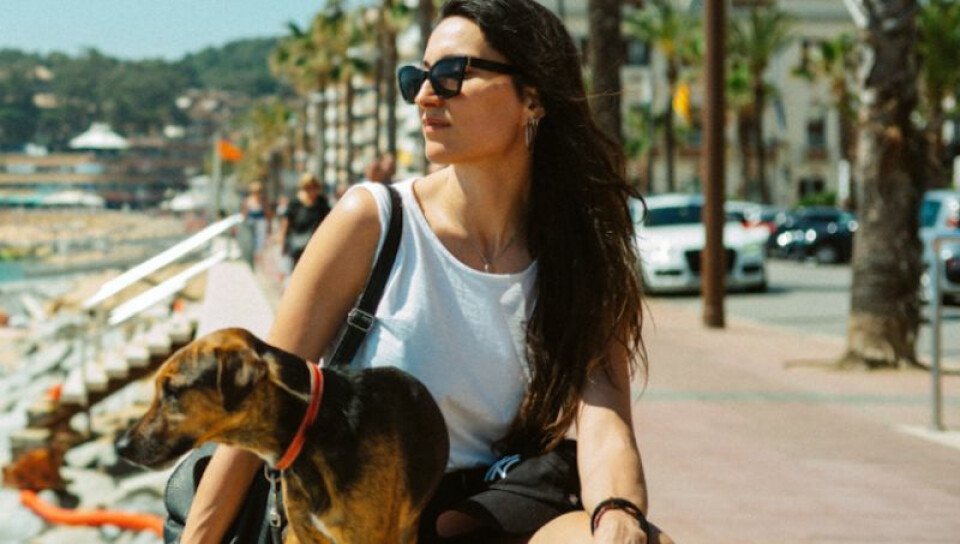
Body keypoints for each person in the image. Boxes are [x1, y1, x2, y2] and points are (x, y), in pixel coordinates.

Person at [181, 1, 671, 543]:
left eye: (452, 74)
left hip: (488, 514)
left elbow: (605, 422)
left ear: (532, 97)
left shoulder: (576, 252)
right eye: (417, 78)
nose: (424, 95)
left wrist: (619, 514)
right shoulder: (374, 221)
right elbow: (261, 403)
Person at [278, 172, 331, 267]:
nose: (312, 190)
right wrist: (282, 241)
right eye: (308, 187)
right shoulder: (295, 203)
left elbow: (329, 219)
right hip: (297, 243)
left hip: (316, 243)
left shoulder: (321, 202)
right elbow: (286, 222)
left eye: (314, 187)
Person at [240, 181, 271, 265]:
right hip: (250, 224)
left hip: (261, 224)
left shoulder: (263, 201)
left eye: (259, 191)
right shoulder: (247, 201)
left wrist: (269, 228)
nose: (257, 193)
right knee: (249, 243)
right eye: (255, 191)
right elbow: (244, 214)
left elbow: (267, 214)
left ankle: (258, 258)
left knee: (259, 243)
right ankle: (250, 259)